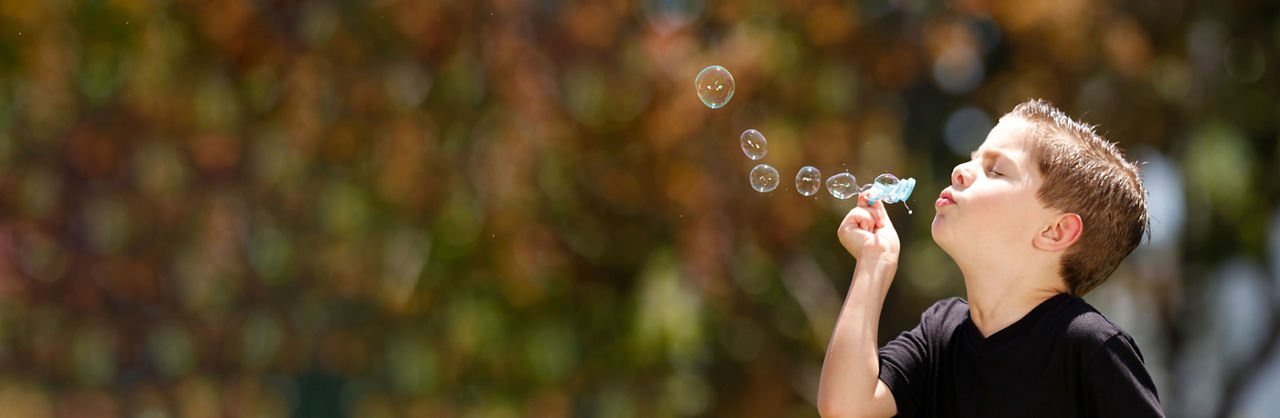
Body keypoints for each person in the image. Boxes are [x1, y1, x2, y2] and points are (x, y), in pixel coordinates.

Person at [816, 99, 1163, 417]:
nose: (960, 171)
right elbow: (847, 408)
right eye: (973, 157)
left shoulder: (1088, 345)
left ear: (1054, 232)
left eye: (996, 170)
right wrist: (874, 263)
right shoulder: (941, 333)